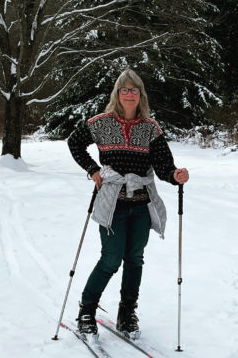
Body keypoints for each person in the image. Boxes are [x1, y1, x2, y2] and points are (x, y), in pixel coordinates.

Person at [67, 68, 189, 338]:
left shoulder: (150, 127)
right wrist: (93, 169)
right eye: (125, 90)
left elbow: (162, 165)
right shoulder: (101, 122)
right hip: (112, 203)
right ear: (117, 94)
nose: (130, 94)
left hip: (141, 204)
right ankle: (86, 311)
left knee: (134, 259)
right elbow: (74, 142)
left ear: (141, 95)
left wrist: (175, 175)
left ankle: (127, 312)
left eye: (134, 90)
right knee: (111, 260)